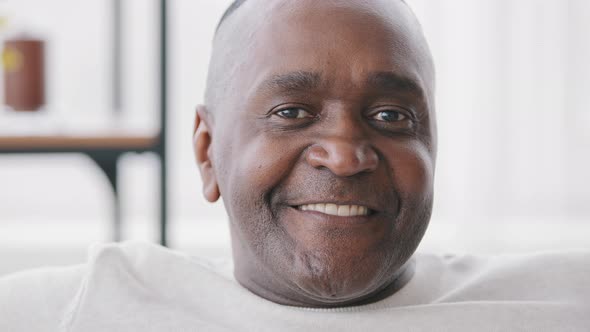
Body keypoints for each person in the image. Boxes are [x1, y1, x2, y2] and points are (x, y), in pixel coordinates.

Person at [1, 0, 589, 331]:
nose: (344, 152)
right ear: (207, 152)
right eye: (291, 111)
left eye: (391, 117)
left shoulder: (563, 297)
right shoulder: (89, 306)